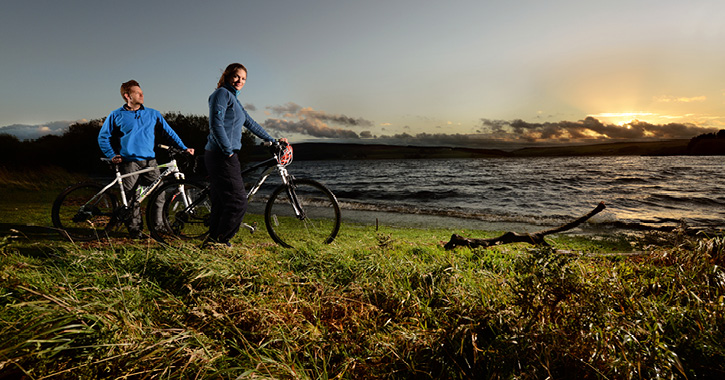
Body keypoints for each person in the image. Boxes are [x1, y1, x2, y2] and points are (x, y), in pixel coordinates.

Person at [98, 80, 195, 239]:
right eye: (137, 92)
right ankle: (135, 231)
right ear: (127, 96)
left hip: (151, 161)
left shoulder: (153, 113)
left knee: (159, 194)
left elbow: (169, 132)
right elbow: (103, 137)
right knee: (131, 198)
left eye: (141, 92)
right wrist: (111, 154)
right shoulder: (116, 115)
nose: (142, 95)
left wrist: (184, 147)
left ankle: (159, 227)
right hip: (129, 162)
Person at [203, 63, 278, 248]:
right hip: (221, 154)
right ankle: (221, 241)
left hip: (224, 154)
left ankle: (213, 241)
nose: (240, 81)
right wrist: (227, 150)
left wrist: (272, 139)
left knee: (222, 203)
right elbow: (216, 124)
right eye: (237, 76)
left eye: (243, 78)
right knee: (238, 202)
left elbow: (251, 123)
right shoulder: (221, 94)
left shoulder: (235, 101)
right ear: (228, 76)